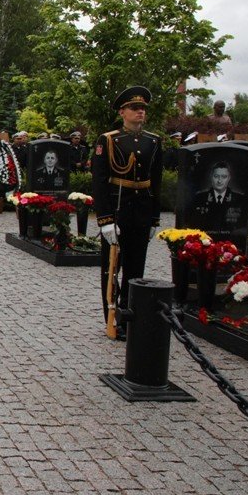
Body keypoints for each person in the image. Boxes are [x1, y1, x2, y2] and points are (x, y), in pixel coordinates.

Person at [91, 85, 163, 340]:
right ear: (122, 112)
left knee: (136, 268)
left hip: (141, 210)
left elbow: (156, 182)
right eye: (134, 108)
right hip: (118, 209)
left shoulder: (153, 141)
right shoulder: (108, 140)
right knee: (111, 268)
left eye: (142, 108)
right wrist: (105, 219)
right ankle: (112, 317)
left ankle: (130, 316)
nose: (140, 112)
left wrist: (154, 218)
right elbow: (99, 181)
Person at [192, 161, 246, 235]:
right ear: (211, 177)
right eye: (216, 176)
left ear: (229, 178)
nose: (219, 181)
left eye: (224, 177)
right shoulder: (200, 197)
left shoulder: (239, 198)